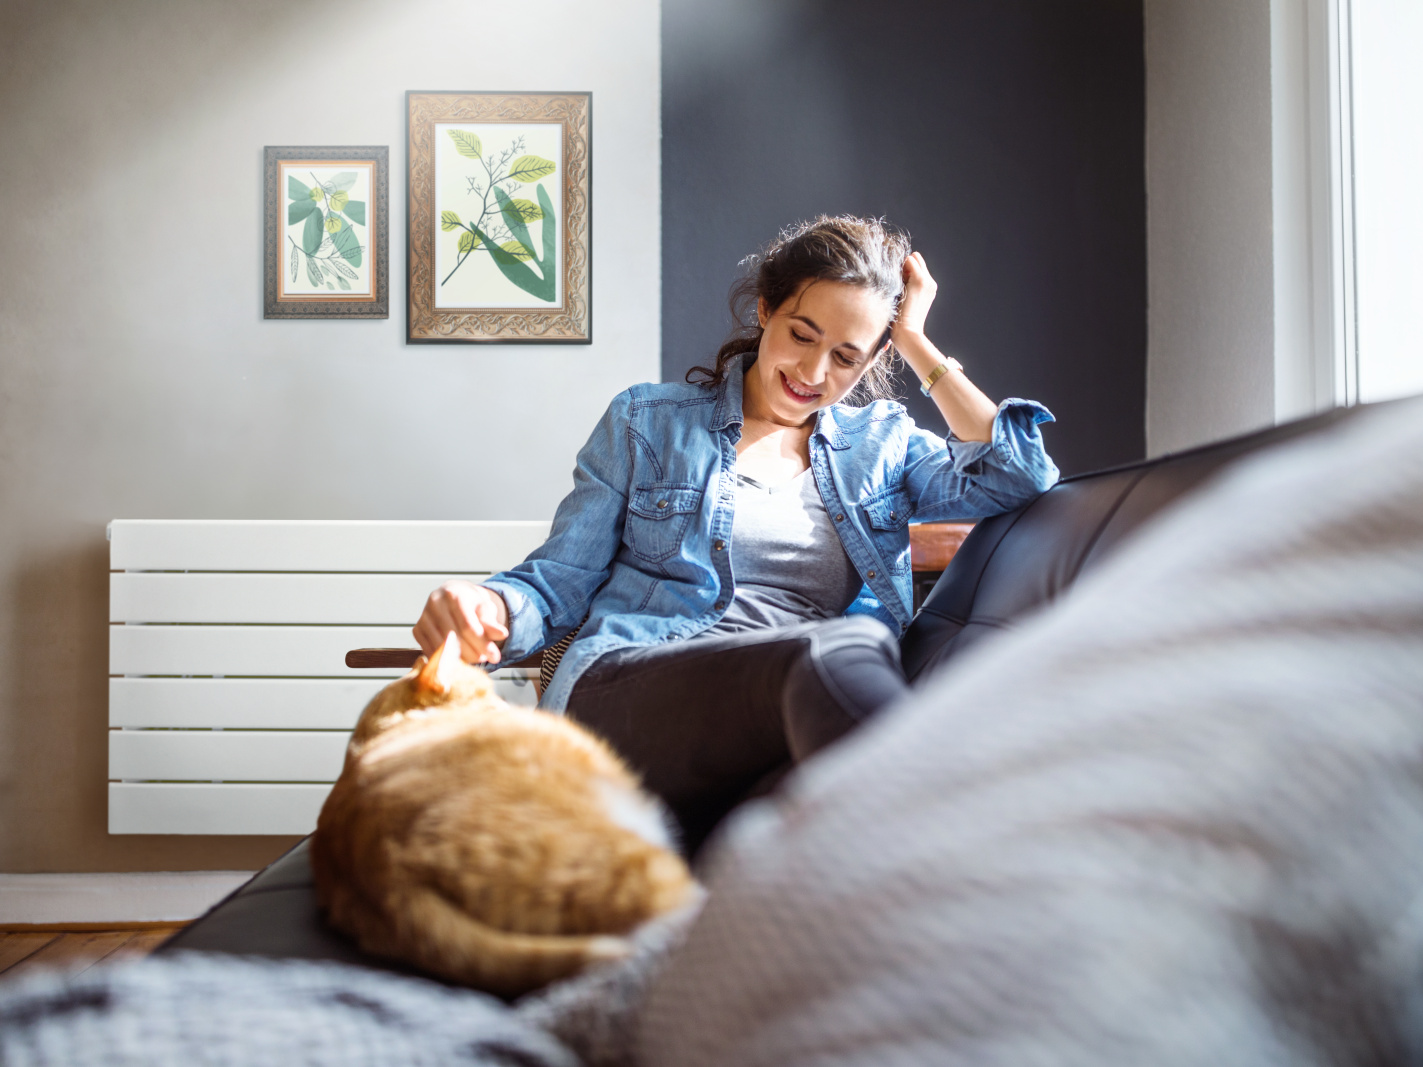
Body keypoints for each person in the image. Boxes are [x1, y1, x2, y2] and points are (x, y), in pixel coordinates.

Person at [414, 216, 1058, 850]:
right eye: (801, 335)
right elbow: (559, 582)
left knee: (788, 822)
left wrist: (916, 341)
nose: (812, 371)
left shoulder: (883, 446)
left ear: (874, 359)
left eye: (845, 357)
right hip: (638, 685)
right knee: (835, 652)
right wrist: (490, 604)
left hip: (788, 729)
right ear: (764, 310)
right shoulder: (648, 421)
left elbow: (1020, 474)